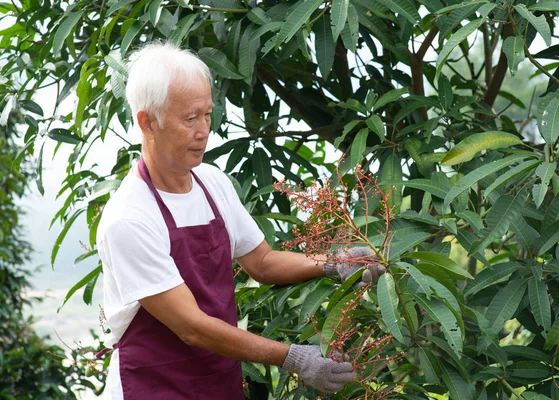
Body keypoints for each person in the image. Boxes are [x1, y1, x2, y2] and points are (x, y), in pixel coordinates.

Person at [96, 41, 386, 399]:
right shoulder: (129, 217)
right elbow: (192, 327)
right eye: (190, 118)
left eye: (207, 114)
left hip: (217, 380)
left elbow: (261, 262)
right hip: (154, 386)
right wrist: (293, 358)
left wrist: (335, 264)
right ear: (148, 123)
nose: (204, 130)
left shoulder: (212, 183)